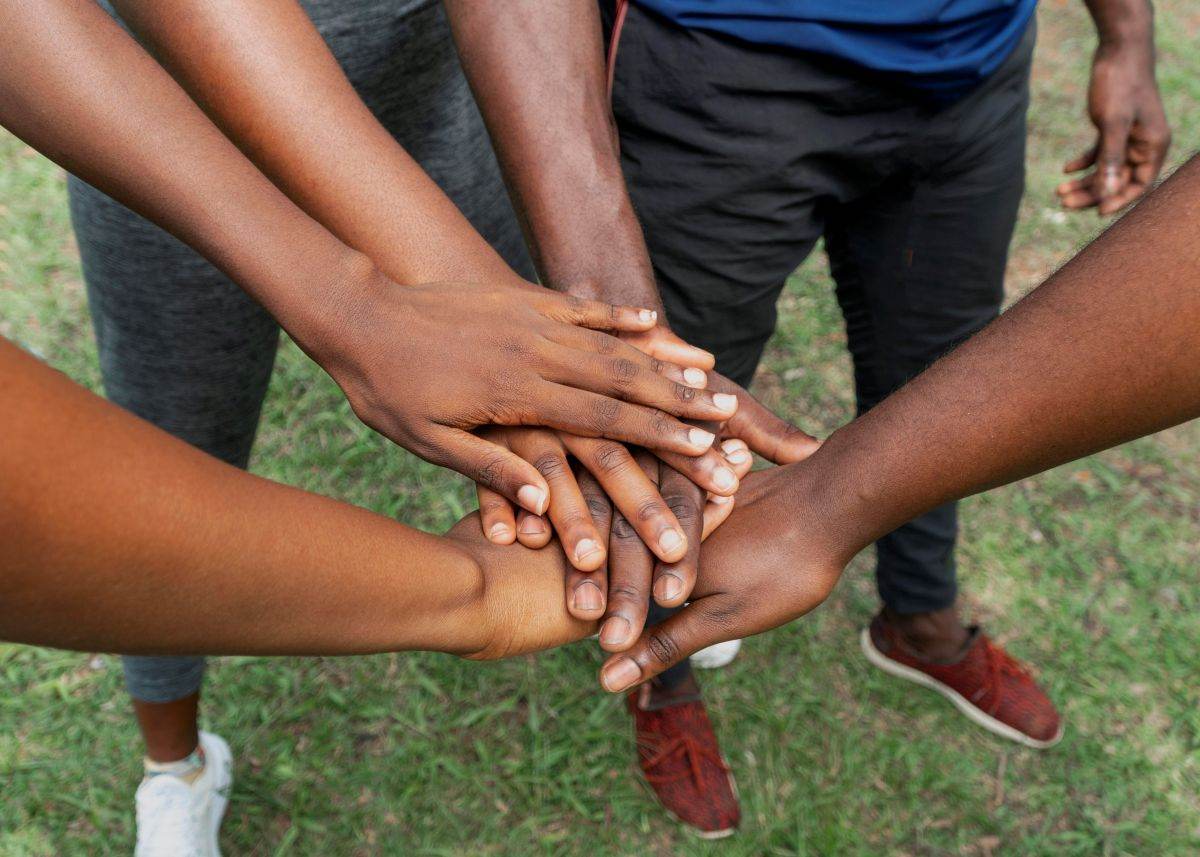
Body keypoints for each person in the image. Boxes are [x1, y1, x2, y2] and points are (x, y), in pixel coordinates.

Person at [5, 148, 1200, 851]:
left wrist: (359, 292)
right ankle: (174, 759)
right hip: (175, 127)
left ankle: (855, 615)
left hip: (413, 111)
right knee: (173, 419)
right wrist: (471, 589)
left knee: (552, 375)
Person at [2, 1, 812, 852]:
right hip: (140, 116)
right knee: (172, 436)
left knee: (532, 378)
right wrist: (476, 590)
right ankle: (175, 764)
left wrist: (586, 340)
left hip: (427, 95)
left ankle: (630, 565)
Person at [443, 0, 1171, 833]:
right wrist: (608, 312)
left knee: (940, 374)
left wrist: (1127, 33)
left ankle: (920, 614)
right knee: (671, 416)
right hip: (723, 61)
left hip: (971, 71)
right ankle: (661, 661)